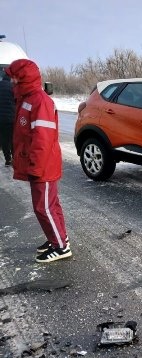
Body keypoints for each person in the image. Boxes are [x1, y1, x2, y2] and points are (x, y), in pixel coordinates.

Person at [5, 59, 72, 262]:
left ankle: (60, 247)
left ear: (23, 77)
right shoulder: (26, 98)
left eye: (13, 77)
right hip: (38, 164)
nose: (11, 81)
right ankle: (59, 238)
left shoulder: (40, 101)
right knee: (51, 205)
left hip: (43, 166)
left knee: (44, 207)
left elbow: (42, 138)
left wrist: (35, 166)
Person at [0, 72, 15, 166]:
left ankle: (8, 159)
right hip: (11, 118)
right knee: (13, 139)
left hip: (1, 118)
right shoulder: (13, 87)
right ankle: (15, 159)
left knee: (4, 139)